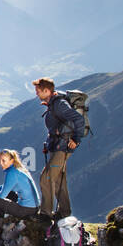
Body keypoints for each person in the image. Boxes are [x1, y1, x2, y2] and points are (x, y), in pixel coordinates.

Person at [33, 77, 85, 220]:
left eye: (38, 91)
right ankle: (64, 212)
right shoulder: (53, 103)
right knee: (58, 180)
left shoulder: (60, 103)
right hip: (57, 146)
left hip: (62, 147)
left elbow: (79, 119)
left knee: (46, 177)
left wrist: (76, 139)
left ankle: (45, 214)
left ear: (47, 90)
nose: (36, 94)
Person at [0, 148, 42, 239]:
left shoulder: (11, 173)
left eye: (4, 161)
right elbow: (7, 186)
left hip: (26, 210)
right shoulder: (18, 169)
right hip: (34, 207)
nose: (1, 163)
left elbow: (2, 195)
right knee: (10, 194)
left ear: (11, 161)